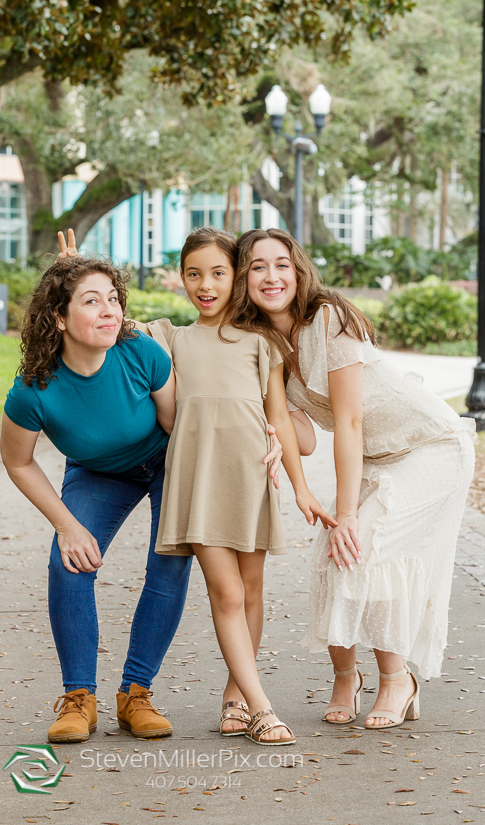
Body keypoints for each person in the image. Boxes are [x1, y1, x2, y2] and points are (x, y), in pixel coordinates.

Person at [230, 227, 476, 730]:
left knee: (362, 545)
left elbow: (349, 422)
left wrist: (344, 514)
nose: (271, 276)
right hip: (377, 460)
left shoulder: (329, 317)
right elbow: (305, 436)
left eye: (282, 264)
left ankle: (397, 681)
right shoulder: (264, 341)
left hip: (429, 446)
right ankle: (347, 676)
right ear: (243, 278)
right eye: (257, 266)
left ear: (298, 270)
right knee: (332, 559)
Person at [134, 227, 335, 745]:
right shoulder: (171, 338)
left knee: (249, 591)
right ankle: (264, 708)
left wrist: (301, 488)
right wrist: (71, 275)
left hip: (249, 478)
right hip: (198, 481)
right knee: (224, 592)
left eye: (218, 273)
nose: (206, 284)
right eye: (194, 274)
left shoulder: (260, 342)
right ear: (180, 278)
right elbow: (110, 319)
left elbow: (281, 421)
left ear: (236, 277)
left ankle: (236, 696)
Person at [0, 231, 193, 744]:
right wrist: (66, 525)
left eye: (113, 300)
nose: (108, 311)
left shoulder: (142, 354)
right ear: (59, 318)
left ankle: (136, 694)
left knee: (170, 560)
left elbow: (178, 426)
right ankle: (78, 697)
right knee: (68, 562)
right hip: (98, 472)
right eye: (91, 302)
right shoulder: (33, 389)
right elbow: (17, 462)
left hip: (166, 459)